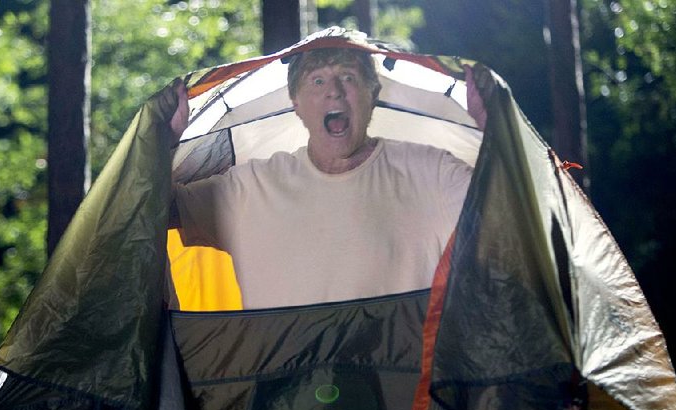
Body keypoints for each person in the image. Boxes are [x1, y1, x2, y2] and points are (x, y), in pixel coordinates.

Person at [169, 45, 486, 309]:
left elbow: (507, 210)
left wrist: (496, 130)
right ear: (296, 103)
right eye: (317, 81)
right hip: (286, 382)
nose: (333, 92)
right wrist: (160, 142)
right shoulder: (250, 189)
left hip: (401, 380)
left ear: (372, 94)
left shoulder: (432, 173)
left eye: (347, 78)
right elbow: (154, 212)